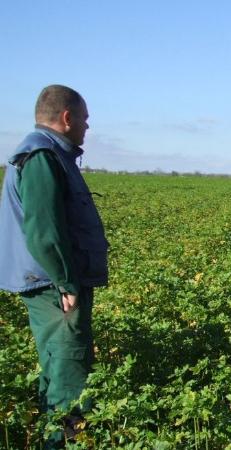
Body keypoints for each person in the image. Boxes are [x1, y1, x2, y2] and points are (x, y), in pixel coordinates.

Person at [0, 85, 109, 445]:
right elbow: (45, 232)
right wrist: (67, 283)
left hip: (51, 282)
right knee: (69, 370)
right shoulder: (42, 156)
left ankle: (52, 437)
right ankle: (65, 441)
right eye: (85, 119)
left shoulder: (46, 153)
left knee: (58, 365)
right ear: (66, 117)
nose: (87, 126)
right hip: (54, 286)